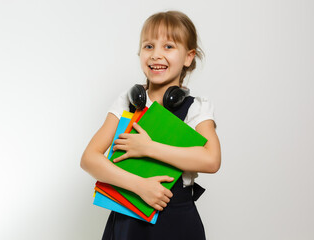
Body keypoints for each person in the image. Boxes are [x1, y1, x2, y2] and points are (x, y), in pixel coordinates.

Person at [81, 10, 221, 240]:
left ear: (188, 57)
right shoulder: (127, 102)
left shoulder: (196, 108)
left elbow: (211, 160)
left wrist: (148, 147)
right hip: (127, 217)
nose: (156, 55)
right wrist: (139, 186)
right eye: (148, 46)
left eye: (168, 47)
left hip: (176, 221)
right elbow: (89, 159)